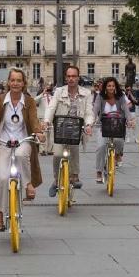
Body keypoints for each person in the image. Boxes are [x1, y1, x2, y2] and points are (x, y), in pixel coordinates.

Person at [0, 68, 45, 231]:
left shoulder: (28, 101)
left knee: (22, 154)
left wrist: (38, 132)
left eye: (19, 81)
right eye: (13, 80)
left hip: (23, 140)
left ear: (23, 84)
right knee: (2, 178)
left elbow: (33, 120)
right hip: (3, 142)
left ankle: (28, 184)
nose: (15, 83)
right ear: (8, 82)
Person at [43, 65, 94, 196]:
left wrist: (88, 125)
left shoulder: (86, 93)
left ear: (78, 78)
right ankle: (56, 180)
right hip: (61, 128)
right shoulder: (59, 92)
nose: (71, 79)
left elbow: (89, 112)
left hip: (76, 129)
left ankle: (75, 176)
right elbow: (51, 107)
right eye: (69, 76)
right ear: (66, 78)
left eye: (74, 76)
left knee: (74, 149)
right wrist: (46, 121)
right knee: (57, 154)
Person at [94, 77, 134, 182]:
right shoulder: (100, 96)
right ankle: (99, 171)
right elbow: (95, 109)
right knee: (101, 146)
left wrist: (130, 120)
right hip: (102, 125)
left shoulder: (120, 97)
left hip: (117, 125)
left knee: (119, 141)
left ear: (116, 87)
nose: (111, 88)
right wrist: (90, 121)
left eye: (113, 86)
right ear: (105, 87)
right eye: (109, 86)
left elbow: (125, 109)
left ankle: (117, 155)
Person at [35, 84, 54, 154]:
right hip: (42, 118)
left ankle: (50, 150)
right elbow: (34, 101)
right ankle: (42, 150)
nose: (48, 91)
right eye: (47, 89)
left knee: (51, 135)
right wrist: (42, 94)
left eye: (49, 89)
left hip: (50, 118)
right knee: (43, 134)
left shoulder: (52, 97)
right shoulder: (41, 97)